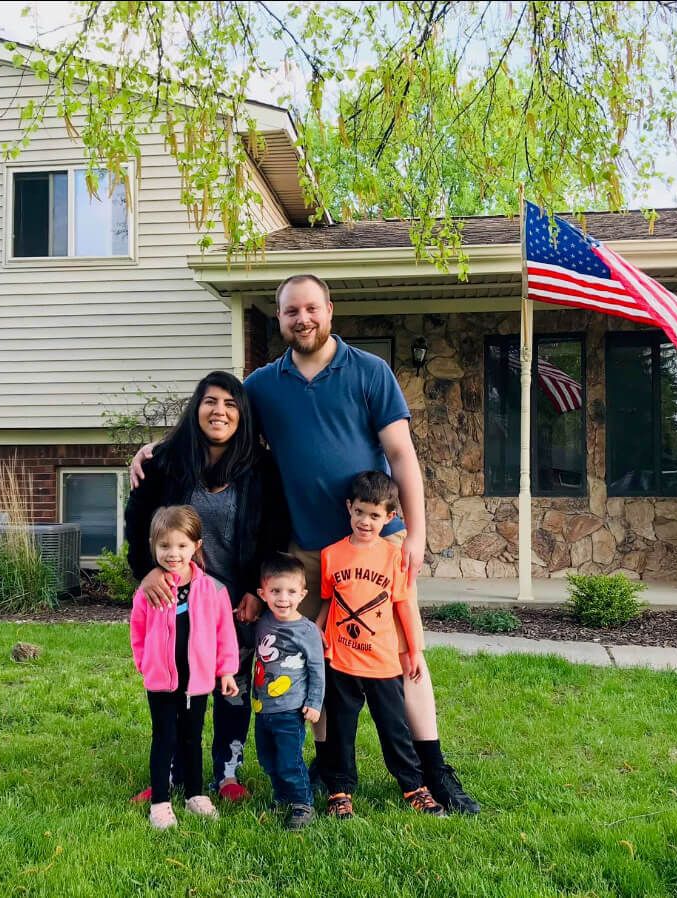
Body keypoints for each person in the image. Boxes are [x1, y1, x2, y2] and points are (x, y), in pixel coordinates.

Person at [132, 273, 479, 814]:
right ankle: (330, 769)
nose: (303, 319)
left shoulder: (370, 372)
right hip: (308, 550)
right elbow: (220, 421)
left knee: (403, 656)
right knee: (307, 655)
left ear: (330, 310)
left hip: (375, 543)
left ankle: (434, 768)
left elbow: (403, 455)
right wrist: (157, 448)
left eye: (311, 308)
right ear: (280, 319)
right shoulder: (265, 386)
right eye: (292, 311)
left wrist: (417, 534)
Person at [124, 370, 290, 804]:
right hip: (180, 602)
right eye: (211, 401)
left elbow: (275, 532)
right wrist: (146, 571)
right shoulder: (165, 462)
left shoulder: (261, 469)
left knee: (232, 686)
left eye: (231, 404)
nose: (220, 411)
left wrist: (258, 588)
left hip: (237, 604)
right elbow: (138, 522)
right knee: (181, 687)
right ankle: (175, 772)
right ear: (196, 408)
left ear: (243, 415)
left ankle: (227, 772)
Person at [316, 471, 444, 818]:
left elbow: (403, 606)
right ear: (349, 508)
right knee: (340, 732)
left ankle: (414, 786)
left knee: (394, 730)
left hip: (384, 664)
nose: (366, 521)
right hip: (341, 661)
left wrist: (414, 652)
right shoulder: (331, 555)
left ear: (389, 518)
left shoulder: (393, 556)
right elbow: (330, 602)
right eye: (360, 512)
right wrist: (317, 637)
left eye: (375, 515)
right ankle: (339, 790)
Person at [129, 505, 240, 830]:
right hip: (161, 681)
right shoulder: (150, 590)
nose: (173, 553)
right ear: (154, 546)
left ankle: (195, 795)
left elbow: (225, 635)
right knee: (164, 736)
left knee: (192, 737)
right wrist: (144, 663)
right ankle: (160, 802)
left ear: (196, 547)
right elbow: (137, 630)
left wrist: (227, 671)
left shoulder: (213, 590)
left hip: (198, 681)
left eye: (181, 546)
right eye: (164, 546)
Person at [251, 553, 325, 830]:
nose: (283, 598)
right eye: (275, 591)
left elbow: (317, 669)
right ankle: (282, 796)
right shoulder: (263, 622)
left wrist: (314, 703)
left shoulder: (306, 631)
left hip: (290, 709)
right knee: (268, 759)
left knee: (289, 760)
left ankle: (302, 803)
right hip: (262, 708)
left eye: (291, 591)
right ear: (263, 593)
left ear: (303, 594)